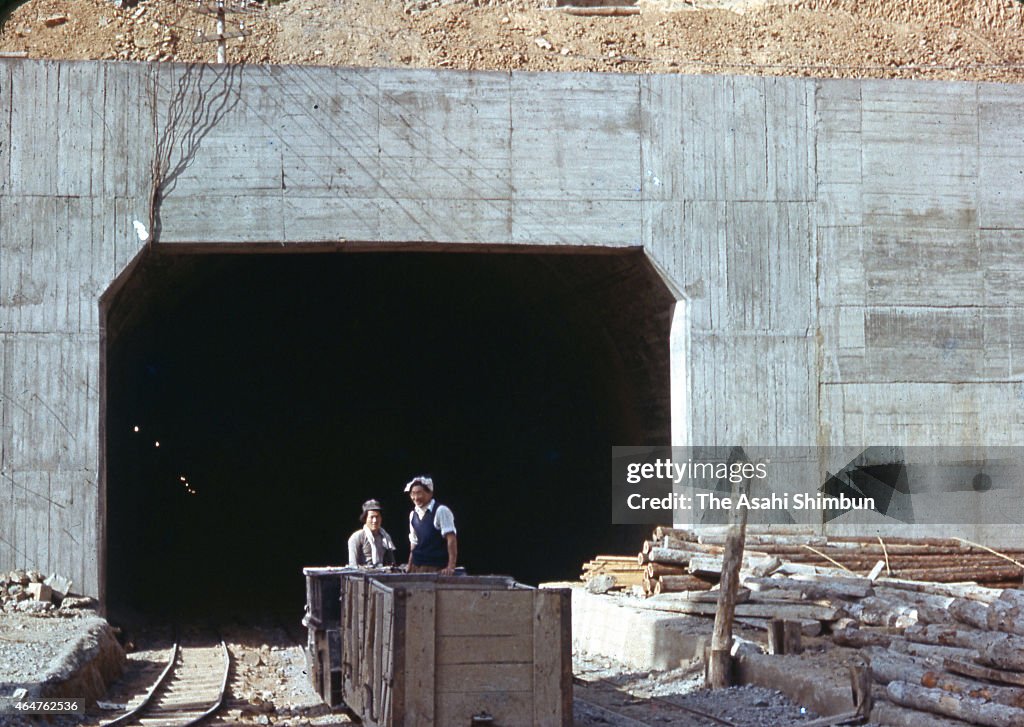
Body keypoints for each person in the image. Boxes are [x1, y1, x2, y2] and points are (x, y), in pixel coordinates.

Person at [404, 475, 457, 575]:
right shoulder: (413, 515)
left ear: (430, 493)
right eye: (412, 494)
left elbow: (451, 539)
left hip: (435, 568)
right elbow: (414, 544)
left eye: (419, 493)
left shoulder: (441, 511)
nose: (415, 498)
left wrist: (451, 566)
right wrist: (409, 565)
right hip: (417, 567)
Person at [347, 499, 397, 567]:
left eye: (377, 517)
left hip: (381, 574)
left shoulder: (385, 537)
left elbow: (392, 563)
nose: (375, 520)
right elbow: (353, 565)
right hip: (363, 575)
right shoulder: (357, 537)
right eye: (371, 517)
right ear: (365, 518)